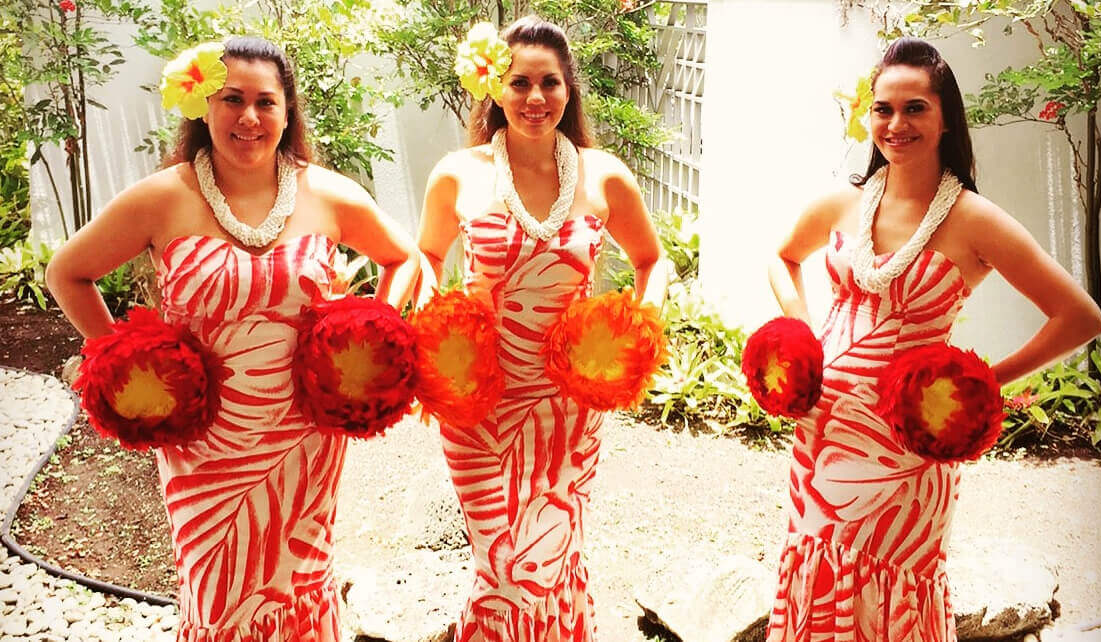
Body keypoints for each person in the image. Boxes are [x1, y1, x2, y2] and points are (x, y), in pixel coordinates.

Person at [45, 36, 419, 640]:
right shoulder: (164, 197)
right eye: (232, 99)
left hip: (305, 439)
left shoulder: (326, 192)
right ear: (204, 108)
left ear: (287, 112)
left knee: (301, 585)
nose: (249, 117)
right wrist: (126, 361)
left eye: (265, 102)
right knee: (219, 594)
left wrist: (371, 341)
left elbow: (405, 260)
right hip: (203, 445)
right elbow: (66, 271)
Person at [765, 37, 1101, 642]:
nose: (896, 124)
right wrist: (802, 336)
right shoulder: (845, 203)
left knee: (892, 587)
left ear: (946, 116)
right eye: (883, 109)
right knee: (819, 578)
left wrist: (980, 387)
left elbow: (1078, 316)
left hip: (908, 449)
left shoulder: (974, 219)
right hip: (823, 433)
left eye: (915, 108)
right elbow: (784, 258)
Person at [416, 16, 665, 642]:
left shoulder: (603, 174)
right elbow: (423, 257)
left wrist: (636, 330)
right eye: (519, 82)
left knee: (553, 555)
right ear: (496, 88)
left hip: (567, 407)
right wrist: (432, 326)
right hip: (478, 405)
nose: (534, 98)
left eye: (549, 83)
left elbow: (651, 260)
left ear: (568, 89)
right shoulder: (458, 173)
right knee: (500, 563)